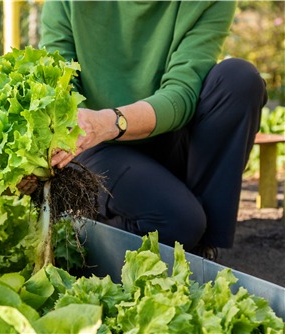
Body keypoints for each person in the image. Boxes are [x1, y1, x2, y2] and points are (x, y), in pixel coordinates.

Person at [17, 0, 268, 261]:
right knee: (179, 222)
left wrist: (112, 121)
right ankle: (74, 237)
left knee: (239, 79)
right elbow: (59, 83)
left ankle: (201, 251)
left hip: (160, 133)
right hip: (92, 143)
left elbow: (182, 92)